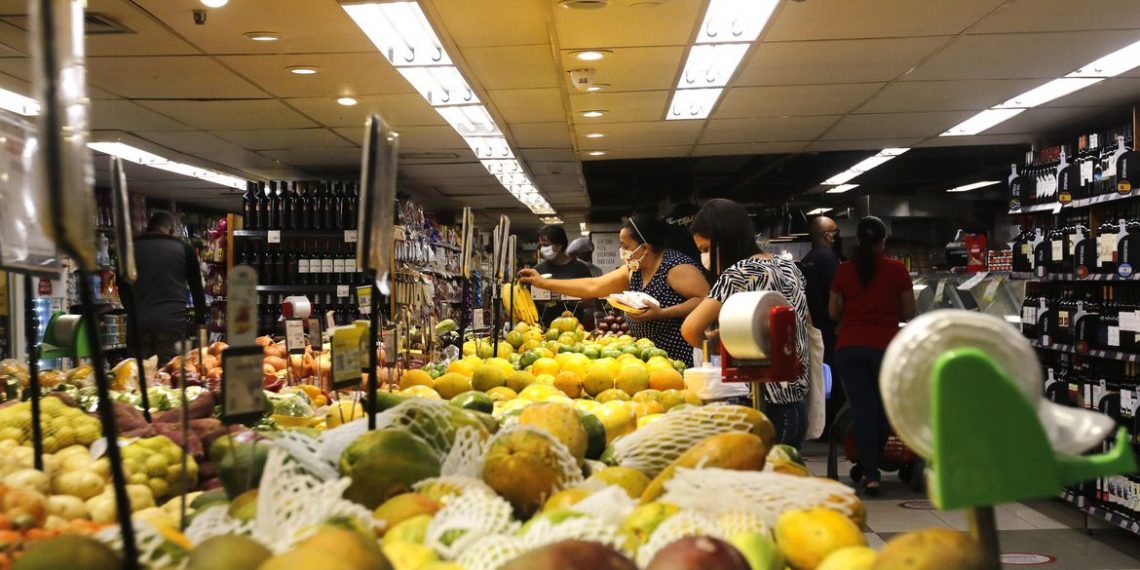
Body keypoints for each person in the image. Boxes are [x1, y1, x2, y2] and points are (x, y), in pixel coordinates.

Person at [681, 199, 811, 448]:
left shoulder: (739, 273)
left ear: (725, 240)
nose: (704, 257)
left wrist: (723, 346)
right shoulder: (789, 267)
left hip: (759, 405)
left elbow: (690, 329)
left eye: (707, 248)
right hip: (795, 407)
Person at [520, 214, 709, 366]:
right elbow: (593, 286)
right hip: (650, 357)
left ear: (645, 248)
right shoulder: (634, 269)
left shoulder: (674, 267)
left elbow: (705, 300)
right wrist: (542, 283)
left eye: (625, 246)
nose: (621, 251)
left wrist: (662, 313)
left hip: (680, 357)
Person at [829, 216, 915, 496]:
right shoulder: (897, 269)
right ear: (882, 240)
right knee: (885, 409)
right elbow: (908, 312)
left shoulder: (844, 270)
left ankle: (870, 472)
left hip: (849, 347)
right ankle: (872, 467)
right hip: (886, 348)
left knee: (862, 408)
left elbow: (833, 312)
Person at [123, 211, 206, 365]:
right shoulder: (183, 248)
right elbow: (196, 289)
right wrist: (200, 322)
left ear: (149, 227)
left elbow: (121, 285)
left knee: (136, 374)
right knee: (168, 374)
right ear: (172, 230)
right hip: (171, 325)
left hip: (138, 324)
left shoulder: (130, 248)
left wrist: (132, 310)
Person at [800, 216, 843, 436]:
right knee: (832, 379)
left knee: (819, 378)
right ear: (827, 235)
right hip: (828, 328)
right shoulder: (828, 258)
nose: (837, 236)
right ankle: (830, 428)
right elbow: (837, 295)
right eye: (834, 232)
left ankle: (820, 425)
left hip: (811, 326)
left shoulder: (807, 259)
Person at [532, 224, 594, 328]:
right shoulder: (537, 270)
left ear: (559, 245)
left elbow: (590, 301)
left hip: (574, 329)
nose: (543, 249)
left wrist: (564, 295)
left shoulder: (580, 269)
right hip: (543, 330)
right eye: (541, 245)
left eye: (546, 245)